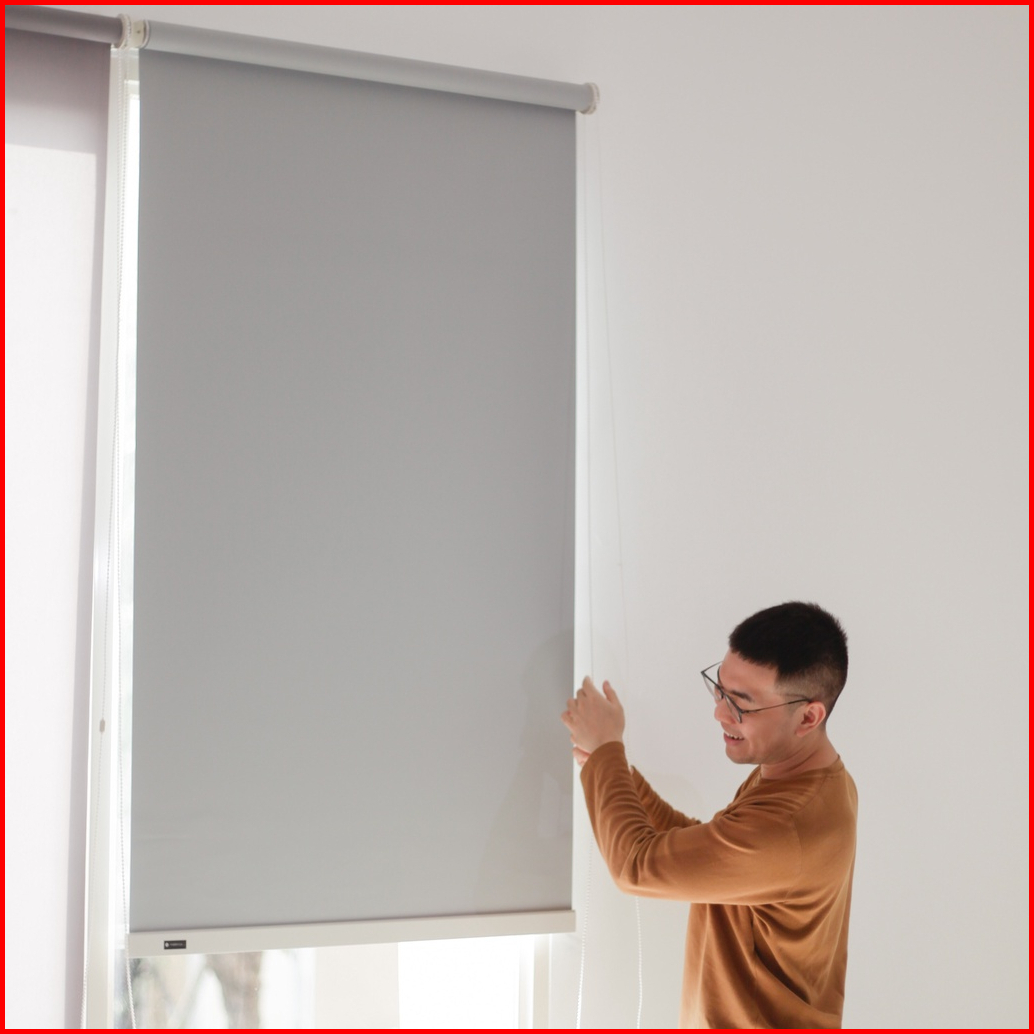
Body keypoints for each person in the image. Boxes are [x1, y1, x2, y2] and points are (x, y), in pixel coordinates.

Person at [561, 601, 856, 1029]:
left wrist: (608, 749)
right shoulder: (808, 778)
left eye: (741, 703)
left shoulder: (786, 825)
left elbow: (635, 867)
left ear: (808, 716)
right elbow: (713, 846)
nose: (719, 712)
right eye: (719, 688)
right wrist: (611, 768)